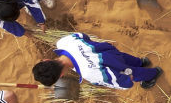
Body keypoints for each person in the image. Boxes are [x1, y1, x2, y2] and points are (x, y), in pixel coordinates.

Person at [32, 33, 163, 90]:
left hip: (118, 67)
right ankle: (141, 62)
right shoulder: (63, 42)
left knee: (130, 71)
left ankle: (152, 74)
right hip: (110, 51)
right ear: (46, 60)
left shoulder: (88, 73)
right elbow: (83, 36)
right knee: (125, 58)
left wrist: (127, 80)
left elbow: (116, 80)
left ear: (60, 76)